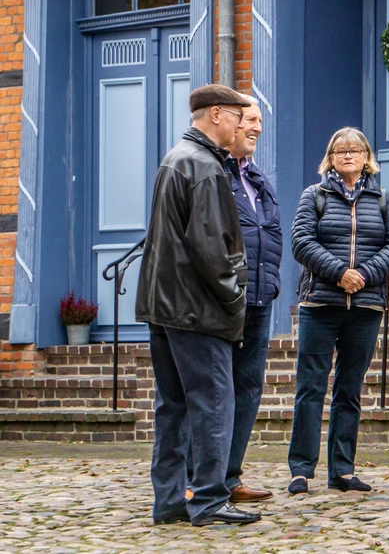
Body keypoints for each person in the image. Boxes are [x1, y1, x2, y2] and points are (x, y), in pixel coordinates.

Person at [135, 84, 261, 526]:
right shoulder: (205, 166)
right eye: (236, 116)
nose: (241, 125)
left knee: (172, 406)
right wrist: (235, 297)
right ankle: (209, 499)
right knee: (213, 402)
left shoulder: (175, 159)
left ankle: (169, 500)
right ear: (216, 115)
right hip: (197, 308)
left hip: (164, 305)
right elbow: (211, 247)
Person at [287, 127, 389, 495]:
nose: (348, 155)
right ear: (331, 158)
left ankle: (342, 469)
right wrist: (339, 274)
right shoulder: (315, 196)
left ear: (367, 157)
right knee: (310, 387)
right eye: (341, 150)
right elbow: (301, 241)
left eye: (355, 150)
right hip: (321, 303)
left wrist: (364, 276)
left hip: (366, 306)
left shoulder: (383, 198)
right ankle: (301, 470)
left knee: (349, 389)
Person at [220, 95, 283, 502]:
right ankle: (202, 479)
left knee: (248, 388)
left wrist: (272, 282)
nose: (258, 127)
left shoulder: (256, 178)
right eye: (252, 119)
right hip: (226, 299)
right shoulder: (215, 172)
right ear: (230, 122)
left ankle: (229, 475)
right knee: (217, 389)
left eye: (261, 119)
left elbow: (272, 233)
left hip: (259, 297)